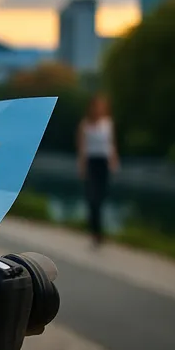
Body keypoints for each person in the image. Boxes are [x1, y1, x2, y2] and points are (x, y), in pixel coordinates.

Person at [76, 93, 119, 247]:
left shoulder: (108, 123)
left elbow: (111, 143)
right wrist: (82, 166)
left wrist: (114, 161)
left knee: (101, 197)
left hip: (104, 162)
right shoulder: (85, 124)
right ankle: (95, 232)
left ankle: (99, 230)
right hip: (91, 162)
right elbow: (82, 147)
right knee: (92, 198)